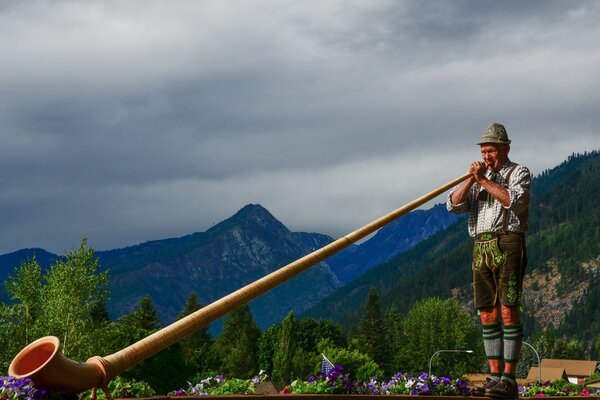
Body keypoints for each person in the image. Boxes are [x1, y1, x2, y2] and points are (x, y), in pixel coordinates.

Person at [447, 123, 531, 399]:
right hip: (480, 244)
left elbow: (515, 202)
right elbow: (453, 205)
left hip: (508, 241)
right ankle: (494, 376)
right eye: (484, 151)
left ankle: (508, 379)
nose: (487, 156)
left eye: (492, 151)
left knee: (508, 308)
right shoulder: (478, 177)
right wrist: (471, 179)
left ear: (505, 148)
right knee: (487, 312)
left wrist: (483, 180)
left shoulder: (518, 172)